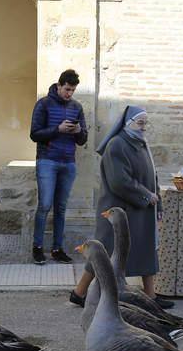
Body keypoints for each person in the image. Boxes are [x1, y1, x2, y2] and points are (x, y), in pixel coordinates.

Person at [69, 105, 173, 309]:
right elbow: (119, 181)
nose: (143, 127)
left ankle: (150, 296)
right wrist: (145, 196)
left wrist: (157, 202)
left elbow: (153, 176)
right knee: (104, 251)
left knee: (146, 248)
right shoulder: (117, 145)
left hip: (140, 210)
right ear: (128, 123)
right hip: (117, 210)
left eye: (145, 123)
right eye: (140, 123)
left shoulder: (142, 144)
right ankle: (79, 292)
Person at [29, 69, 88, 265]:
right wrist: (57, 130)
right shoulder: (43, 104)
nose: (69, 93)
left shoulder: (77, 107)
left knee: (61, 208)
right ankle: (38, 248)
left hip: (68, 162)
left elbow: (83, 140)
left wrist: (79, 131)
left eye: (72, 90)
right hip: (47, 161)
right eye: (67, 89)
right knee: (45, 205)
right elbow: (34, 134)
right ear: (59, 85)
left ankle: (57, 249)